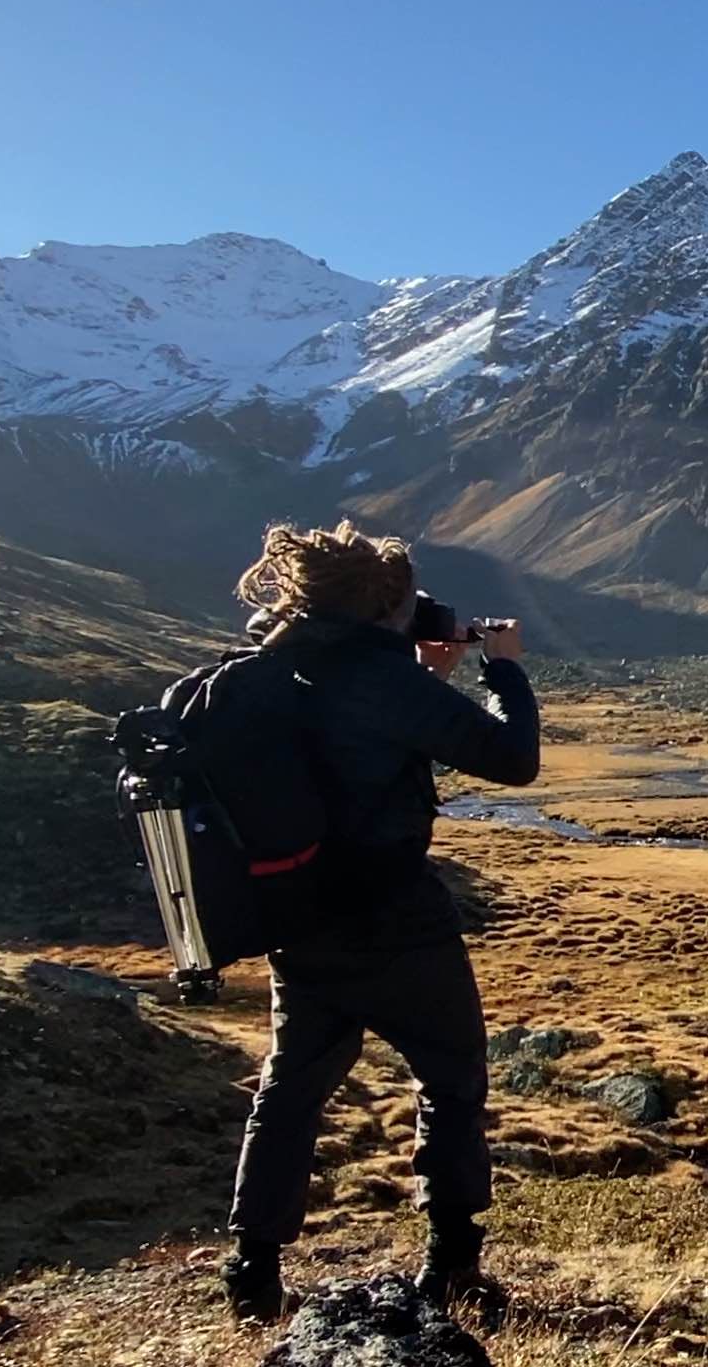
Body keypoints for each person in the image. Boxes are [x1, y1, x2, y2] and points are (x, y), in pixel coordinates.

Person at [218, 521, 541, 1325]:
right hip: (398, 923)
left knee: (291, 1089)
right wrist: (504, 671)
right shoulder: (383, 680)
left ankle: (252, 1271)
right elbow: (512, 760)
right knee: (450, 1079)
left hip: (300, 921)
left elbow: (347, 759)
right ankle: (453, 1269)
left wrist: (421, 671)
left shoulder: (279, 666)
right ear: (386, 607)